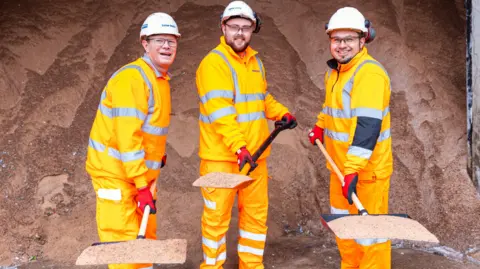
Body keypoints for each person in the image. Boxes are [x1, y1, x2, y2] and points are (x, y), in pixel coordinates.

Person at [195, 1, 297, 268]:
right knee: (217, 221)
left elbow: (261, 98)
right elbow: (221, 113)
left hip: (255, 159)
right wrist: (240, 147)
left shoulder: (254, 62)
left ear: (253, 30)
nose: (239, 33)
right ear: (223, 28)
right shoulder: (213, 64)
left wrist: (281, 113)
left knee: (254, 218)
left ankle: (251, 266)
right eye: (234, 27)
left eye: (245, 28)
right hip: (223, 158)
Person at [85, 12, 180, 269]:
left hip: (139, 178)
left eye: (171, 40)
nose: (166, 46)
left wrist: (155, 158)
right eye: (159, 40)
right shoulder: (132, 79)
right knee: (125, 250)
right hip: (116, 176)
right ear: (144, 43)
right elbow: (128, 137)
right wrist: (141, 184)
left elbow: (145, 131)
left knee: (144, 244)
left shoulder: (159, 80)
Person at [308, 6, 393, 269]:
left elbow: (367, 126)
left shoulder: (369, 73)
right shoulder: (335, 72)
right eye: (336, 39)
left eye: (348, 39)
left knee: (370, 241)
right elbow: (332, 109)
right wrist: (321, 126)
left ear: (363, 39)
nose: (342, 46)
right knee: (346, 232)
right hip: (340, 170)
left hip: (365, 174)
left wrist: (353, 170)